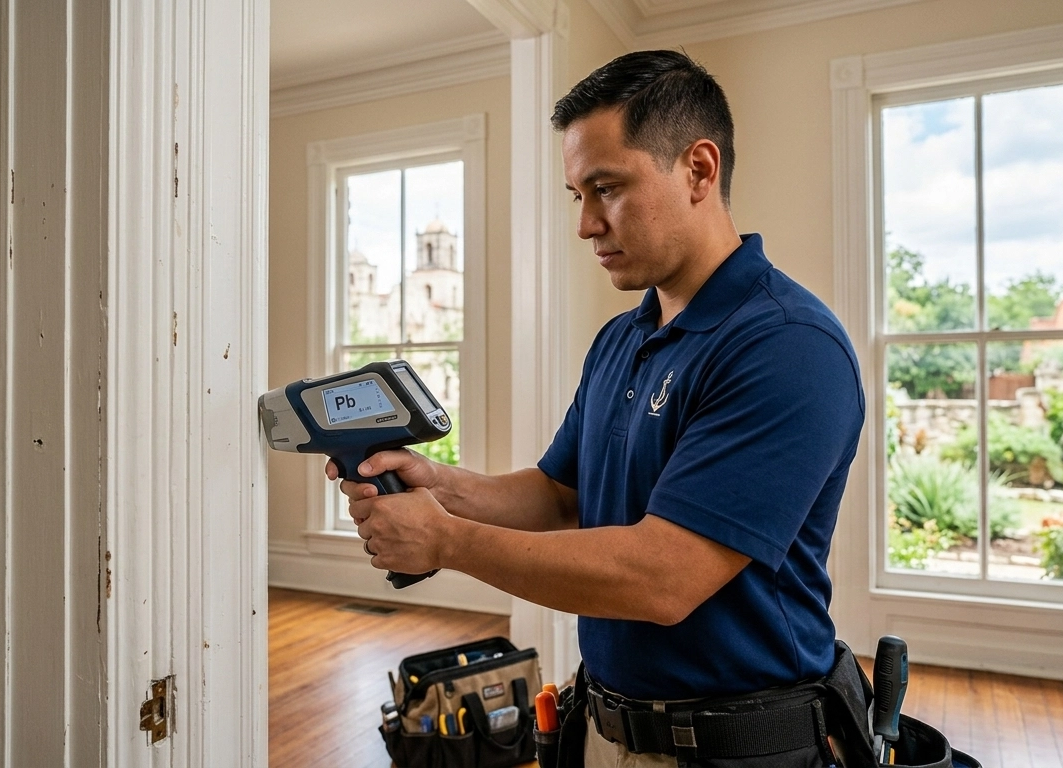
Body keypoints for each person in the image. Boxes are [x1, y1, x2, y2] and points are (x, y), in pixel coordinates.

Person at [331, 50, 865, 767]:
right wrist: (442, 487)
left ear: (699, 170)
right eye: (576, 194)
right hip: (602, 725)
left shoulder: (786, 346)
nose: (585, 224)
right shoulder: (625, 336)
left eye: (606, 188)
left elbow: (663, 577)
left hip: (737, 745)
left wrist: (446, 542)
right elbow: (560, 496)